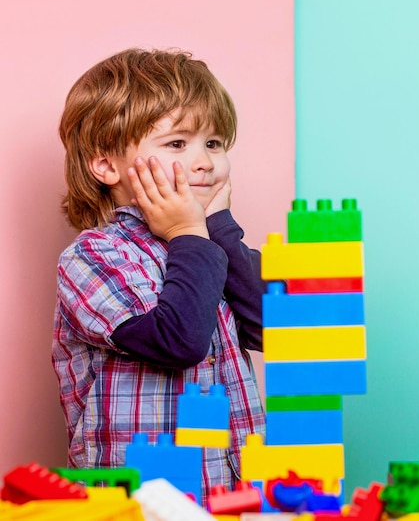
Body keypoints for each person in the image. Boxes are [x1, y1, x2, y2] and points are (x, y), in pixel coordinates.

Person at [52, 48, 266, 502]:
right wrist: (191, 232)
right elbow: (178, 341)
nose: (206, 161)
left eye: (214, 143)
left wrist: (219, 231)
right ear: (107, 165)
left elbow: (276, 331)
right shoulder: (93, 256)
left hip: (234, 493)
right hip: (143, 502)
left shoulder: (210, 248)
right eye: (177, 144)